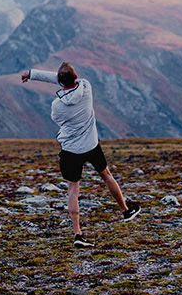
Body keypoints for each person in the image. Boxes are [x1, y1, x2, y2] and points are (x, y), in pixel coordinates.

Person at [21, 61, 141, 248]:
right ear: (76, 78)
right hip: (92, 145)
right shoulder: (86, 86)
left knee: (73, 190)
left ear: (61, 82)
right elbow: (63, 79)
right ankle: (125, 211)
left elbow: (58, 117)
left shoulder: (57, 105)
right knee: (106, 175)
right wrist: (33, 73)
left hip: (70, 150)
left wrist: (31, 73)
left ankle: (78, 234)